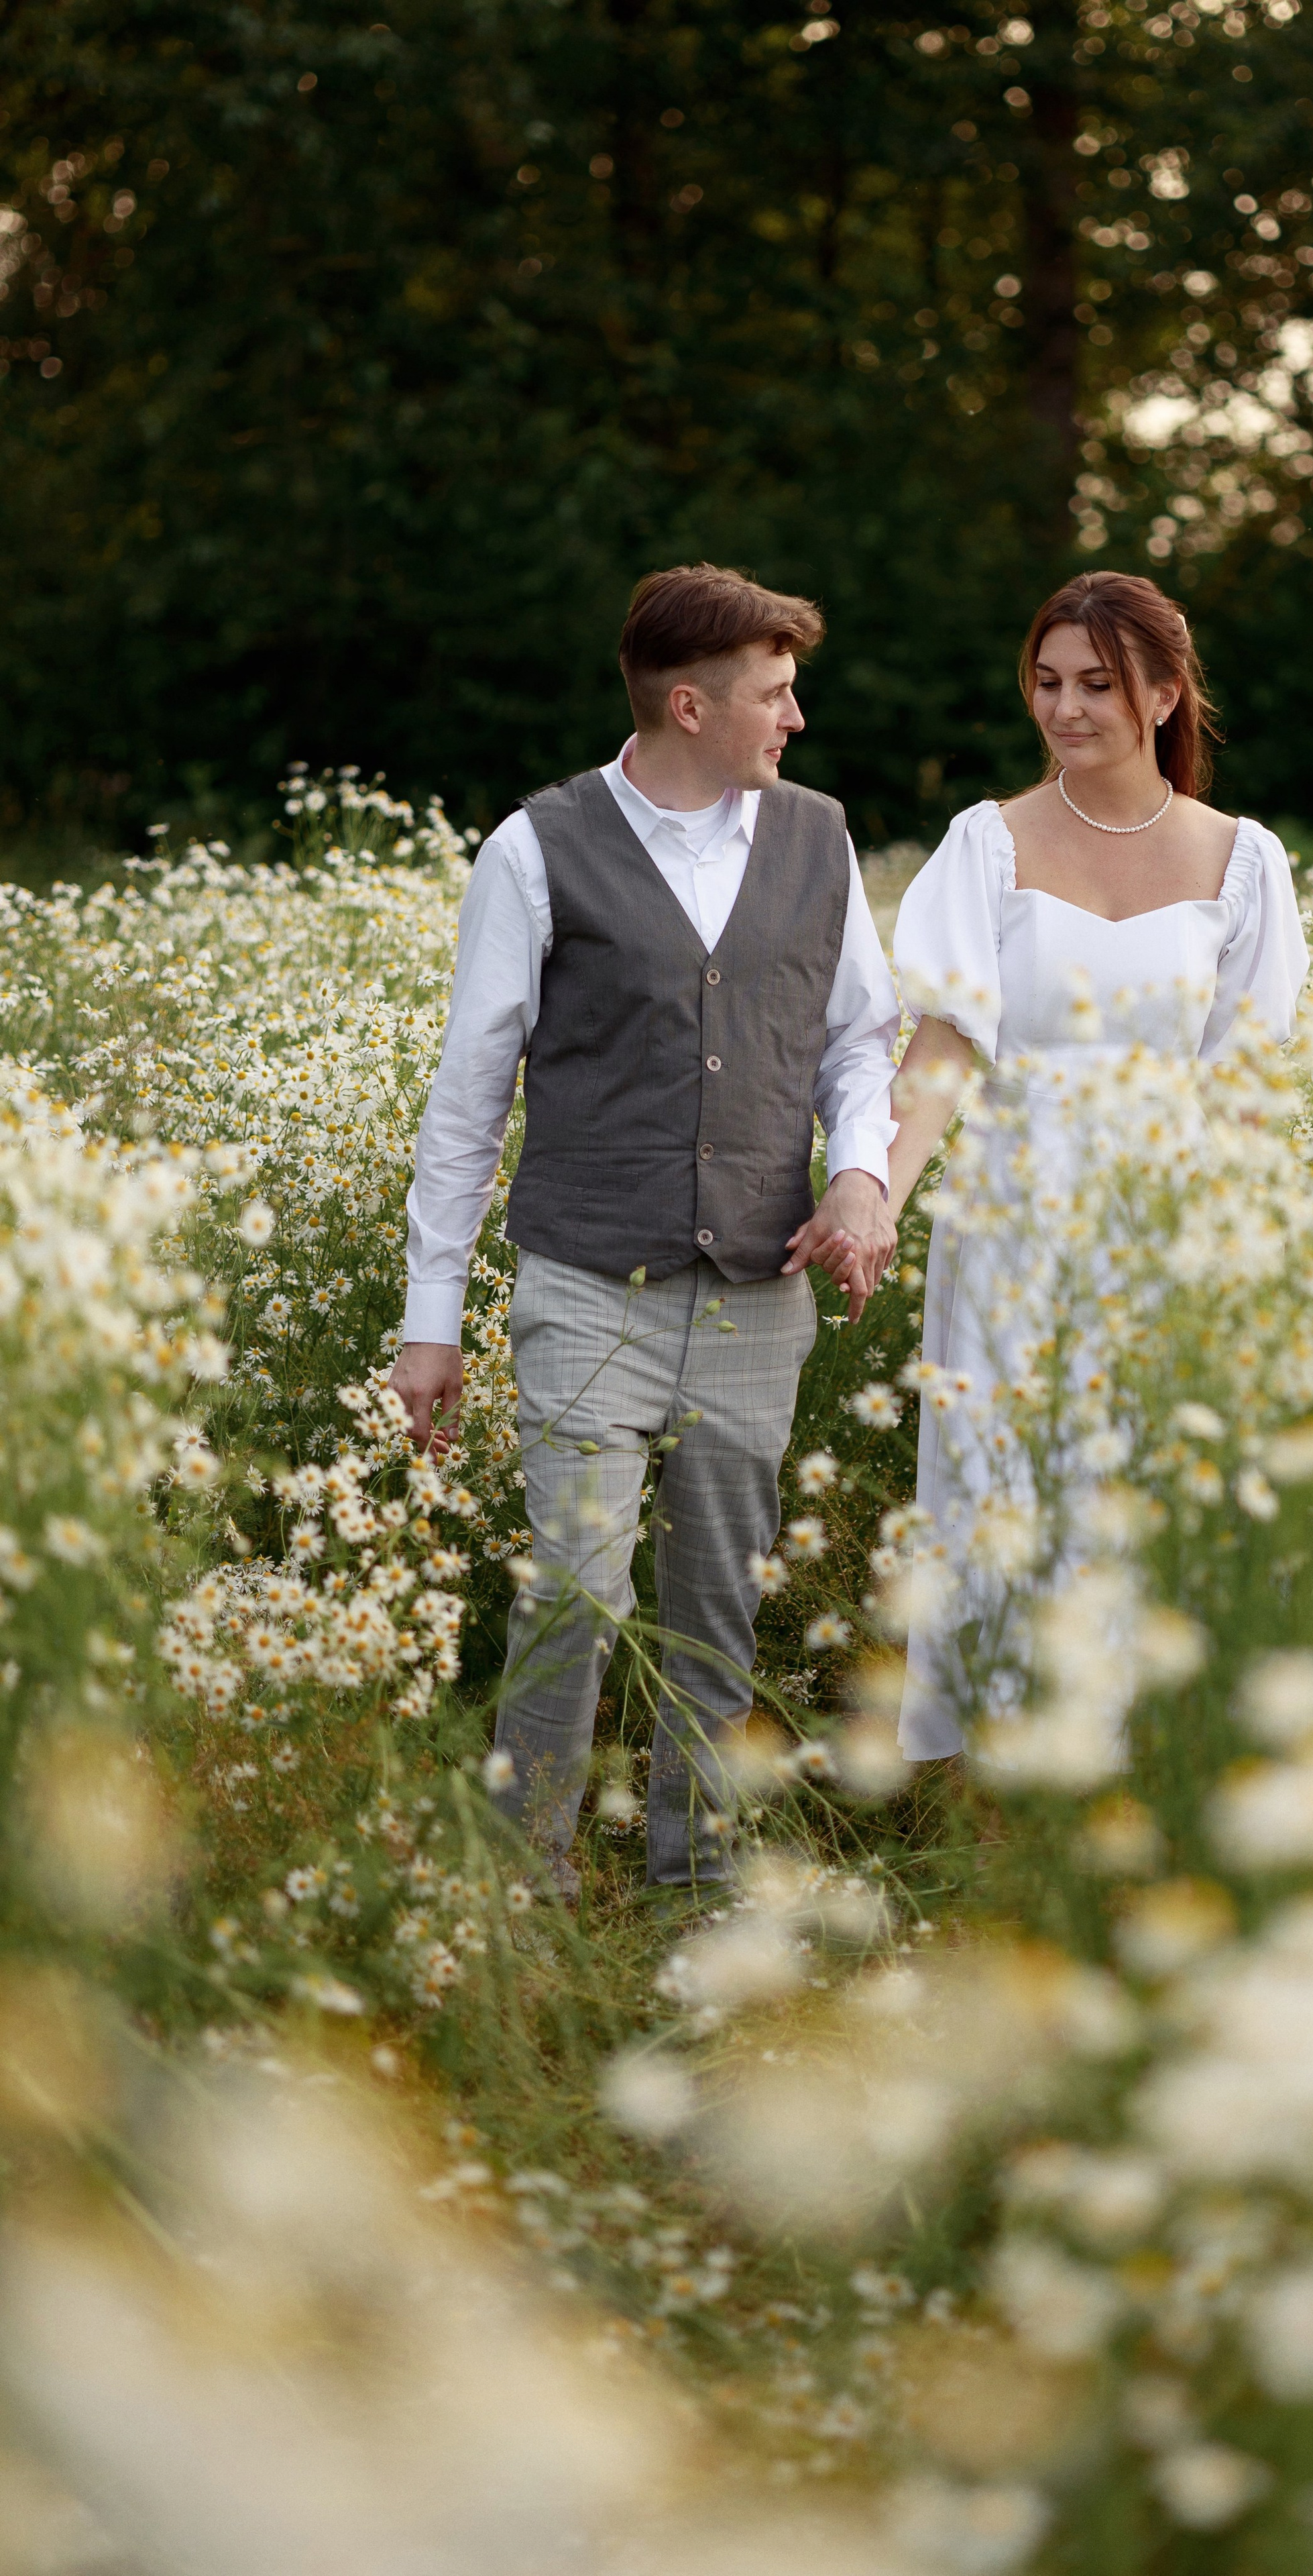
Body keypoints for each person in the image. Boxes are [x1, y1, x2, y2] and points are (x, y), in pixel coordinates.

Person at [390, 565, 900, 1898]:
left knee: (719, 1607)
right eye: (774, 696)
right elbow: (469, 1089)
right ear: (690, 704)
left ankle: (697, 1880)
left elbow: (858, 1045)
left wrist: (859, 1178)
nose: (793, 720)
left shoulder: (817, 840)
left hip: (754, 1293)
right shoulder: (535, 847)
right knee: (574, 1591)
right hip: (584, 1286)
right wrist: (428, 1321)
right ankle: (522, 1885)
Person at [882, 570, 1309, 1760]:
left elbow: (1248, 1082)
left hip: (1166, 1211)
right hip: (1013, 1208)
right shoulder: (986, 843)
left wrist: (1246, 1250)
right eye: (1049, 682)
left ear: (1166, 694)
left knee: (1141, 1479)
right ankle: (1003, 1782)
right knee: (1000, 1483)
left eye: (1098, 686)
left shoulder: (1243, 860)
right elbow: (943, 1045)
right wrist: (877, 1193)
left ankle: (1140, 1768)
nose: (1067, 709)